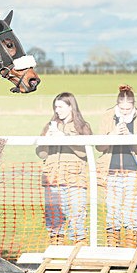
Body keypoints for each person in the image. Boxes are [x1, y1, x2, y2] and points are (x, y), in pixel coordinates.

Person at [96, 85, 137, 247]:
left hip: (132, 172)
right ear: (117, 105)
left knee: (131, 210)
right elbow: (99, 147)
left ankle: (131, 243)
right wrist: (112, 136)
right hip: (111, 172)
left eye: (128, 108)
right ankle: (113, 245)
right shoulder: (107, 117)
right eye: (122, 108)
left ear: (134, 105)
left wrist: (131, 137)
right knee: (113, 209)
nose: (125, 111)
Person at [36, 92, 92, 245]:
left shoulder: (82, 126)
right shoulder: (49, 126)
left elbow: (85, 152)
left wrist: (65, 138)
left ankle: (79, 251)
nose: (57, 110)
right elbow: (41, 154)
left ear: (70, 107)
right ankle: (56, 250)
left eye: (60, 106)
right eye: (55, 107)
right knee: (53, 219)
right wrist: (45, 141)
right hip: (52, 179)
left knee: (77, 216)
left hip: (75, 179)